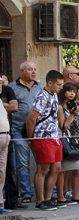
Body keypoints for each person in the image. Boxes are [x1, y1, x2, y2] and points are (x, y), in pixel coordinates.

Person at [26, 70, 64, 210]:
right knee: (43, 168)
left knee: (56, 167)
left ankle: (48, 198)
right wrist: (31, 138)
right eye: (58, 84)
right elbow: (32, 118)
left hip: (54, 136)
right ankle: (40, 200)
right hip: (43, 135)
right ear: (50, 83)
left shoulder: (54, 95)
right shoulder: (42, 96)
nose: (60, 87)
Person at [9, 61, 41, 203]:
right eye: (29, 69)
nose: (33, 72)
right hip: (18, 129)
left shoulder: (40, 87)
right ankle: (26, 193)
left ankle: (47, 193)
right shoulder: (12, 87)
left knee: (42, 160)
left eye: (34, 69)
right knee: (22, 163)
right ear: (22, 72)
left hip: (37, 129)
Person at [57, 82, 79, 206]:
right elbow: (64, 126)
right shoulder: (60, 107)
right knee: (62, 170)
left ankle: (75, 195)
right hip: (62, 140)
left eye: (73, 91)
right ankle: (61, 196)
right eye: (69, 91)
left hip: (71, 139)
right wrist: (73, 114)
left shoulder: (71, 105)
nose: (72, 93)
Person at [0, 75, 18, 211]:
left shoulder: (2, 99)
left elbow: (14, 106)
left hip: (6, 136)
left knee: (3, 171)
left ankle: (2, 202)